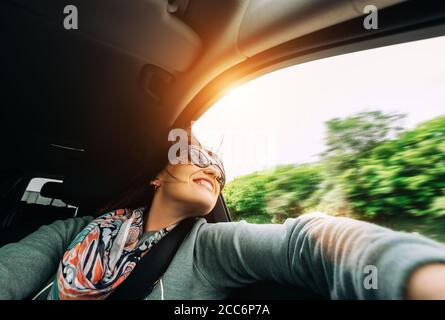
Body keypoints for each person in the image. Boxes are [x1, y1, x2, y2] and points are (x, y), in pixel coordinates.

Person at [1, 142, 445, 300]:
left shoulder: (209, 248)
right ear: (157, 176)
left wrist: (416, 273)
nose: (212, 170)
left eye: (219, 170)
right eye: (197, 157)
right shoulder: (71, 232)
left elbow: (304, 243)